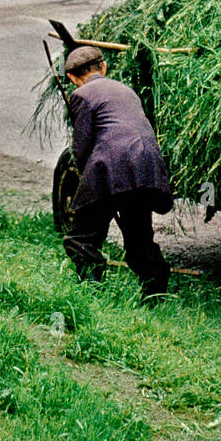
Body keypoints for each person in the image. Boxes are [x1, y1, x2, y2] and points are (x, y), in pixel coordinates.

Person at [61, 46, 172, 298]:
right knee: (139, 240)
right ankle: (156, 296)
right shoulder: (127, 91)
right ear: (104, 67)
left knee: (79, 239)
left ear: (72, 77)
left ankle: (92, 294)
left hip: (109, 168)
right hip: (146, 167)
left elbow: (81, 148)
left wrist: (85, 182)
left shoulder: (81, 95)